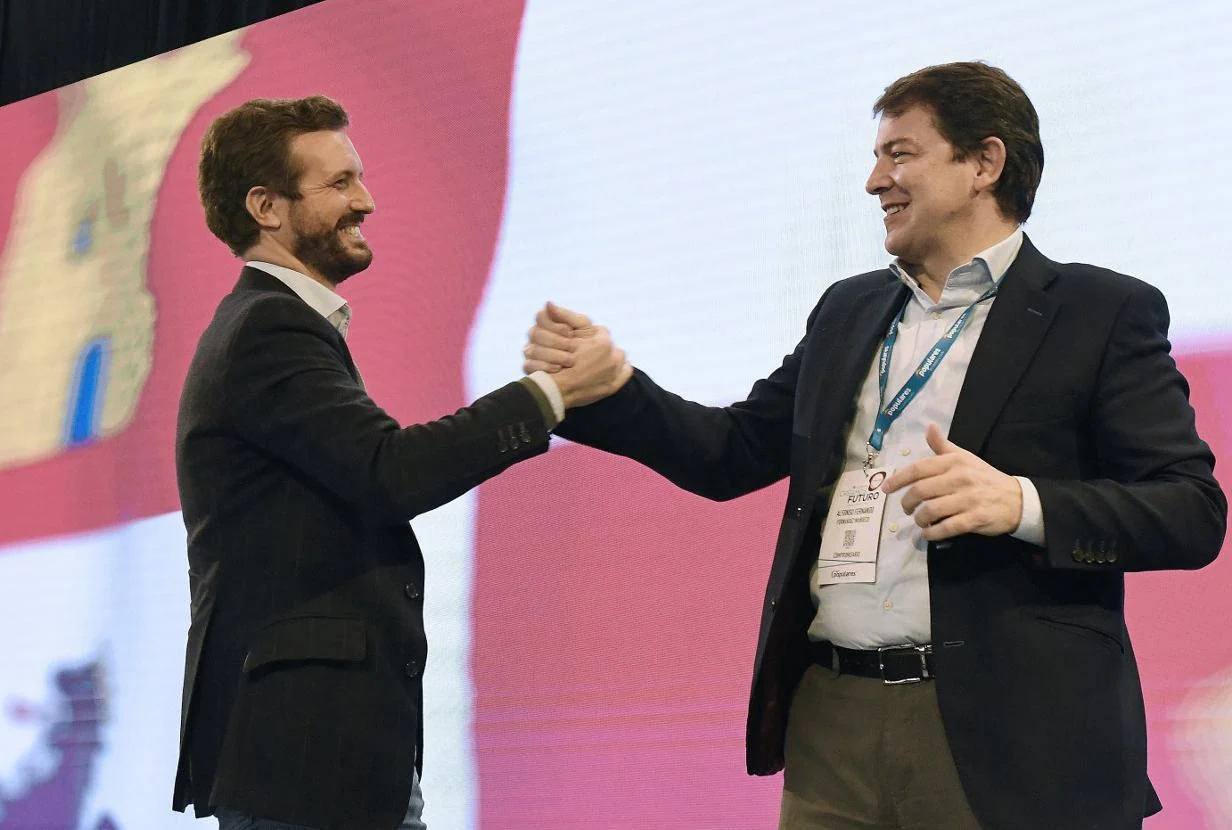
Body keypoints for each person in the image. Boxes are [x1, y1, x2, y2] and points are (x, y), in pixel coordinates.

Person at [523, 62, 1226, 830]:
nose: (873, 181)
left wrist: (1020, 503)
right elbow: (729, 452)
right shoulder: (848, 309)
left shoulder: (1099, 311)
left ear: (983, 164)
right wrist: (612, 387)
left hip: (1007, 734)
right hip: (833, 717)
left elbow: (1189, 511)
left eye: (900, 154)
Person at [173, 95, 629, 830]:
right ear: (267, 206)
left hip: (323, 765)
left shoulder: (267, 326)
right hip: (304, 767)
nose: (367, 200)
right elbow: (393, 472)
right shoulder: (269, 327)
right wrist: (550, 394)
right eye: (340, 182)